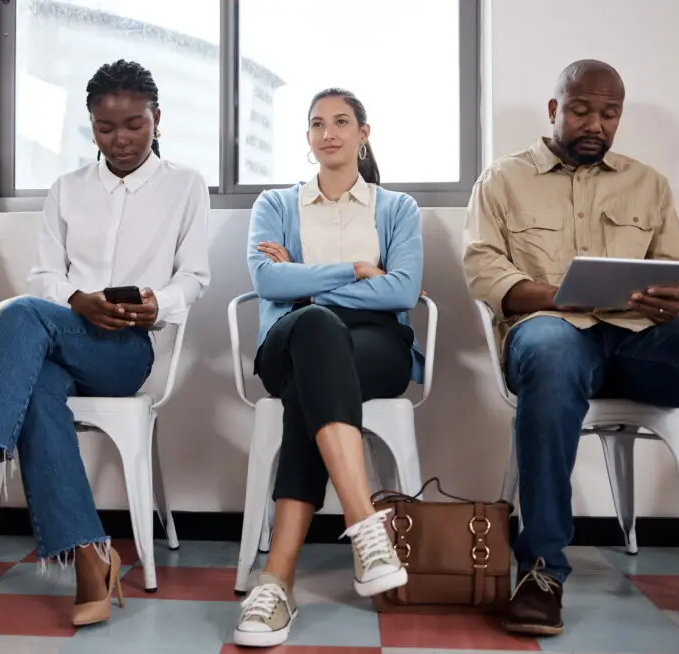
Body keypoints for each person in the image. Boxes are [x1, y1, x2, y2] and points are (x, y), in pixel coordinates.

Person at [0, 60, 210, 628]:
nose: (121, 139)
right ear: (90, 126)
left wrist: (158, 302)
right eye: (106, 128)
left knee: (26, 316)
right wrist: (77, 299)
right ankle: (89, 557)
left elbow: (194, 278)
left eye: (135, 124)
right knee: (37, 386)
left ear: (157, 118)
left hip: (127, 351)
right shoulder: (67, 189)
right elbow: (44, 278)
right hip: (61, 340)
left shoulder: (186, 185)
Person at [464, 59, 679, 636]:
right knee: (552, 349)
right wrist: (562, 296)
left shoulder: (647, 182)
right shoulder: (501, 180)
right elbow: (484, 272)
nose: (595, 124)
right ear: (555, 110)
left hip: (636, 340)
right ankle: (542, 573)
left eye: (609, 114)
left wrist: (675, 296)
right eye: (581, 110)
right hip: (552, 332)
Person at [234, 88, 424, 648]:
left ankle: (276, 580)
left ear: (365, 133)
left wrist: (309, 281)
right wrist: (358, 272)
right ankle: (367, 527)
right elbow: (267, 282)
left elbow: (404, 289)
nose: (329, 132)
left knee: (310, 376)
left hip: (377, 350)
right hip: (289, 342)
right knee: (316, 334)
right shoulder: (274, 204)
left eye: (342, 122)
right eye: (317, 124)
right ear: (308, 137)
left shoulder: (397, 209)